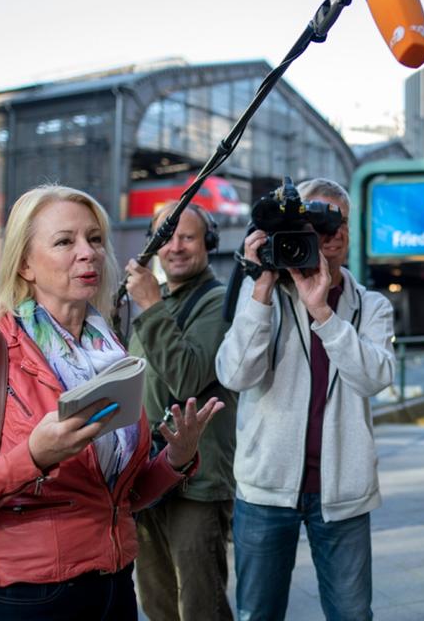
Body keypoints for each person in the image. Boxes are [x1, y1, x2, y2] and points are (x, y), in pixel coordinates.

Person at [0, 184, 225, 620]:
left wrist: (176, 459)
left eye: (95, 239)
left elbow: (118, 498)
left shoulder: (109, 352)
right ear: (24, 264)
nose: (88, 253)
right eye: (65, 241)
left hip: (114, 586)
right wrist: (32, 457)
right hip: (25, 596)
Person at [216, 178, 395, 621]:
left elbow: (374, 378)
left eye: (338, 222)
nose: (330, 233)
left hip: (343, 491)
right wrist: (260, 289)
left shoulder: (371, 305)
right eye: (314, 222)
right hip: (265, 487)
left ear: (349, 232)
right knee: (257, 614)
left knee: (352, 614)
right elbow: (235, 375)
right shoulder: (264, 295)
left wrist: (324, 314)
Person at [124, 203, 236, 621]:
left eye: (187, 237)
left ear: (208, 243)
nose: (175, 247)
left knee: (200, 603)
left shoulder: (219, 301)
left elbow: (187, 376)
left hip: (198, 481)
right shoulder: (160, 300)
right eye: (166, 238)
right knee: (156, 600)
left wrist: (151, 305)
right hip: (150, 472)